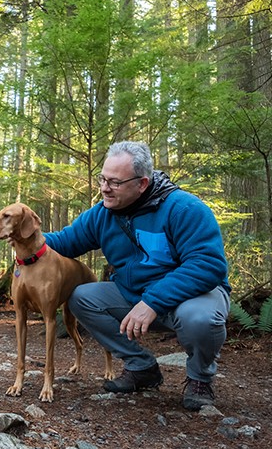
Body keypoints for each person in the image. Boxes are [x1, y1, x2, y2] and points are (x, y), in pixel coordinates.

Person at [44, 141, 231, 410]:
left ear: (142, 183)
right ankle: (142, 367)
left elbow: (208, 265)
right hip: (135, 294)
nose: (104, 188)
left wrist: (153, 302)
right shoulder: (102, 213)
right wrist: (22, 233)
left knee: (200, 318)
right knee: (82, 297)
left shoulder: (184, 209)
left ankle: (199, 378)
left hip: (192, 297)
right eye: (103, 179)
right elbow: (64, 241)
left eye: (115, 182)